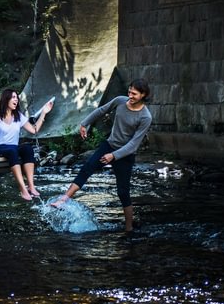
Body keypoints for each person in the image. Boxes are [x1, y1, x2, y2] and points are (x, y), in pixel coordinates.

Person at [52, 79, 152, 232]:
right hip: (109, 145)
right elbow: (101, 110)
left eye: (134, 93)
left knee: (123, 192)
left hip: (125, 154)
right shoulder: (120, 101)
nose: (130, 95)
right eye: (129, 91)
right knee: (87, 167)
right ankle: (64, 199)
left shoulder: (145, 117)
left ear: (143, 95)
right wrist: (84, 123)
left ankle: (128, 228)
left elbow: (133, 144)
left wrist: (114, 156)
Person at [0, 89, 53, 201]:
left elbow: (34, 130)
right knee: (12, 152)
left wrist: (44, 113)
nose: (16, 100)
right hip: (0, 148)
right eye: (13, 97)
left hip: (13, 147)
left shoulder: (18, 116)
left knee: (27, 148)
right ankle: (23, 189)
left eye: (17, 97)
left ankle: (31, 186)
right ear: (5, 99)